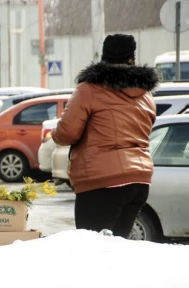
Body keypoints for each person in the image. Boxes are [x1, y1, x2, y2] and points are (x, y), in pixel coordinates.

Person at [51, 34, 158, 239]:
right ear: (132, 57)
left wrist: (53, 134)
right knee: (117, 246)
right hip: (139, 179)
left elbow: (67, 133)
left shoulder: (89, 89)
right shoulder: (146, 94)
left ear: (104, 56)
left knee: (93, 248)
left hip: (102, 182)